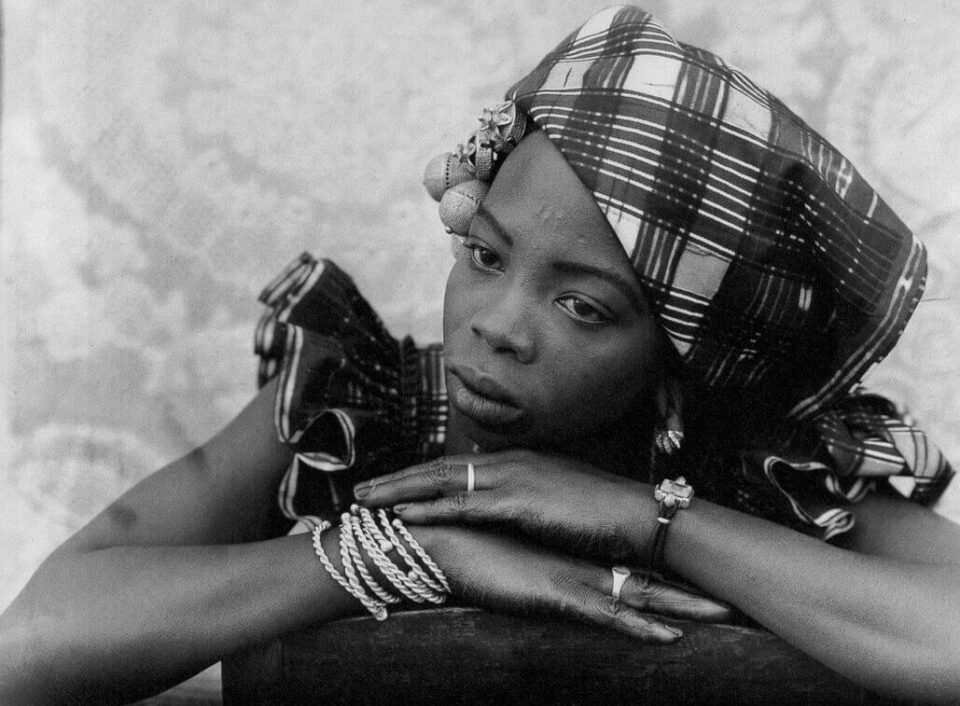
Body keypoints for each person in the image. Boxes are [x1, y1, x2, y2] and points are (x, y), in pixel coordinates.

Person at [2, 5, 958, 703]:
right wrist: (413, 552)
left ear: (682, 355)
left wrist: (647, 520)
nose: (497, 324)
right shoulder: (363, 407)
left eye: (582, 305)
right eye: (486, 256)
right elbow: (32, 646)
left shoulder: (754, 459)